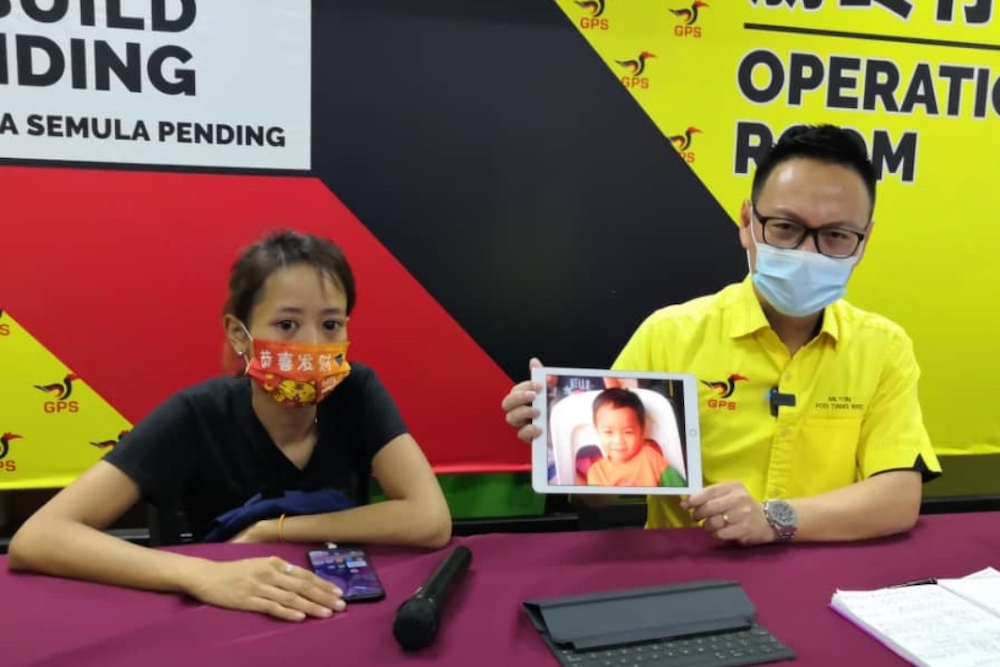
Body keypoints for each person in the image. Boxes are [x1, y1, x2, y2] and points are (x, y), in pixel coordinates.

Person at [502, 124, 941, 546]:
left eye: (836, 235)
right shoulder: (670, 335)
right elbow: (603, 494)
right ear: (748, 222)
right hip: (690, 578)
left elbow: (898, 498)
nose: (808, 252)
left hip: (824, 573)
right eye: (786, 228)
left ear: (863, 242)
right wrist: (554, 449)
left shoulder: (883, 347)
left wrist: (773, 519)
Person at [8, 230, 452, 622]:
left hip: (333, 607)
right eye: (287, 324)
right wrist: (204, 574)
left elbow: (429, 519)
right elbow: (40, 538)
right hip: (225, 611)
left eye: (331, 324)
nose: (312, 344)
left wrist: (272, 530)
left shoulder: (357, 390)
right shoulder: (196, 413)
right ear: (240, 335)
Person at [584, 388, 686, 488]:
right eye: (608, 432)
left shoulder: (651, 458)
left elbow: (683, 493)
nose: (618, 441)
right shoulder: (596, 472)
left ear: (642, 432)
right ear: (597, 431)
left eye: (628, 432)